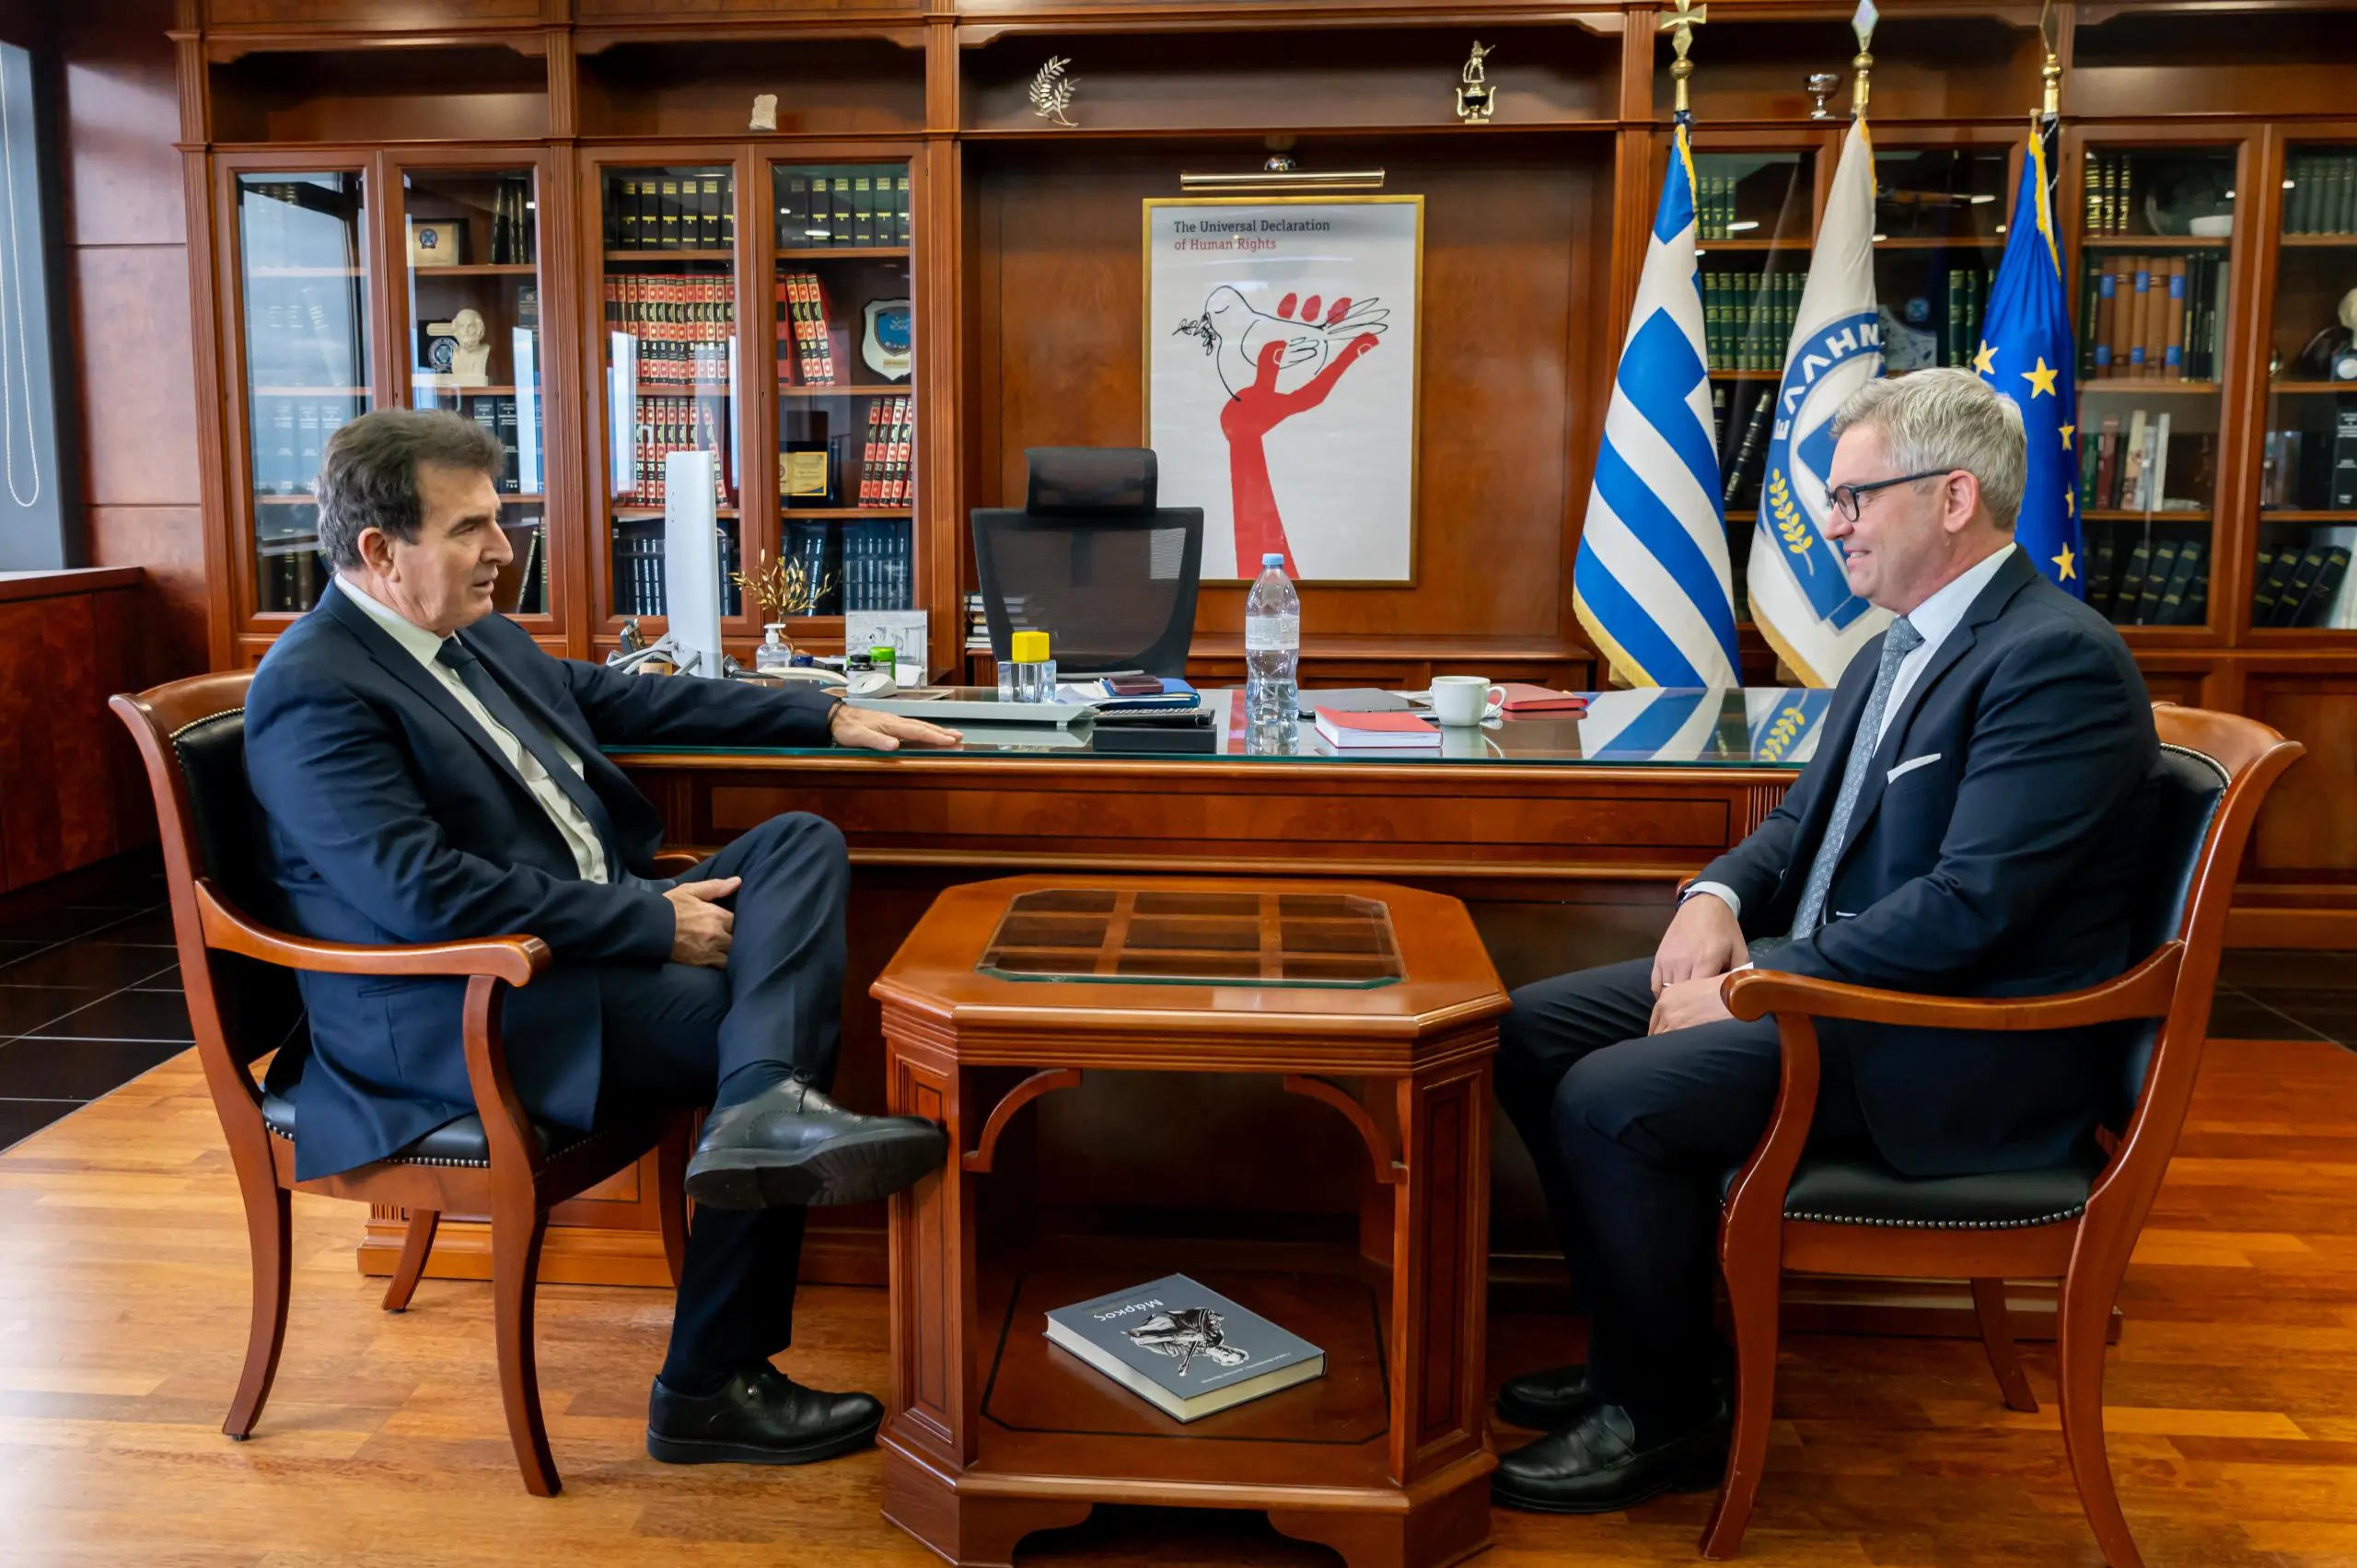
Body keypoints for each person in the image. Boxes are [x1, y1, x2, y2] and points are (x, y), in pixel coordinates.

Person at [1491, 368, 2161, 1513]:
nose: (1832, 522)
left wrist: (1755, 981)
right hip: (1844, 994)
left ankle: (1662, 1413)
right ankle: (1646, 1354)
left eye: (1854, 497)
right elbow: (1801, 827)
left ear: (1953, 497)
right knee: (1529, 1031)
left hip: (1954, 1042)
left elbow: (1970, 905)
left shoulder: (2054, 660)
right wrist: (1714, 897)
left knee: (1610, 1096)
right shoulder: (1894, 646)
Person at [244, 409, 961, 1469]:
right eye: (470, 528)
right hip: (458, 1008)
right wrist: (651, 920)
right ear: (381, 550)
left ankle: (762, 1109)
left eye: (499, 519)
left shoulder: (469, 637)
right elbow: (421, 893)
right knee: (752, 1018)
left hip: (564, 954)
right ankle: (707, 1377)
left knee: (798, 842)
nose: (503, 550)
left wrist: (820, 712)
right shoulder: (313, 687)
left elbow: (619, 694)